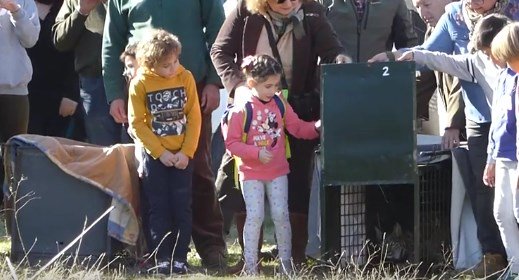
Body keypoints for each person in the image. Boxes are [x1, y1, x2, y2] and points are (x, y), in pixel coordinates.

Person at [369, 0, 517, 276]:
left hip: (514, 126)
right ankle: (497, 257)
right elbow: (434, 56)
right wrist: (394, 57)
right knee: (489, 198)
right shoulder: (461, 29)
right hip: (484, 123)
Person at [211, 0, 347, 270]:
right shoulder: (244, 10)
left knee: (297, 182)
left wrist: (343, 62)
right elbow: (220, 51)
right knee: (239, 183)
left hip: (296, 106)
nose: (290, 4)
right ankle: (250, 258)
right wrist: (237, 87)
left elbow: (333, 51)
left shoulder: (312, 10)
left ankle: (294, 257)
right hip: (250, 111)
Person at [102, 1, 228, 268]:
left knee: (200, 169)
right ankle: (155, 252)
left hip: (192, 86)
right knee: (149, 177)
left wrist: (216, 82)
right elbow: (112, 42)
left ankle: (211, 246)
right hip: (143, 93)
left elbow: (219, 31)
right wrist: (114, 93)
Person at [223, 54, 320, 275]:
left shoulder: (279, 102)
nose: (273, 90)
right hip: (251, 173)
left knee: (280, 215)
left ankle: (286, 264)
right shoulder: (241, 109)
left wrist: (316, 127)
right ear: (251, 83)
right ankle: (250, 264)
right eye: (267, 86)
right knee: (255, 216)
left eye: (276, 85)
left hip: (278, 171)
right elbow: (232, 144)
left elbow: (296, 127)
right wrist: (256, 153)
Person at [128, 29, 201, 275]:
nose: (173, 69)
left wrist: (186, 152)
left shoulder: (186, 77)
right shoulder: (140, 83)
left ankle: (180, 258)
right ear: (150, 63)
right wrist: (160, 153)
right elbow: (137, 123)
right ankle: (161, 257)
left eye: (175, 62)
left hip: (182, 156)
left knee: (182, 206)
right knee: (158, 208)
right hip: (155, 158)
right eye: (166, 66)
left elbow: (194, 116)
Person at [52, 0, 124, 146]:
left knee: (137, 150)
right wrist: (81, 11)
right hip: (94, 82)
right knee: (103, 150)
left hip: (133, 80)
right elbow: (60, 41)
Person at [484, 22, 519, 278]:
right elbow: (498, 121)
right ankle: (516, 268)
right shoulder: (505, 78)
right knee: (502, 213)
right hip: (505, 157)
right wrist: (491, 158)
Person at [0, 0, 40, 203]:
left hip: (14, 91)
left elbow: (31, 39)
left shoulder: (25, 1)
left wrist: (15, 10)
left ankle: (13, 213)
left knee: (14, 157)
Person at [412, 0, 466, 146]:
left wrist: (454, 123)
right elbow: (423, 81)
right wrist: (397, 112)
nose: (422, 13)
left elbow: (463, 79)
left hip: (476, 121)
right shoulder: (433, 30)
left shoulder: (464, 25)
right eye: (417, 7)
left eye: (427, 5)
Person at [27, 0, 80, 139]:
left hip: (60, 97)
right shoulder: (20, 7)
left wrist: (71, 94)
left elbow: (78, 52)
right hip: (24, 94)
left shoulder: (69, 7)